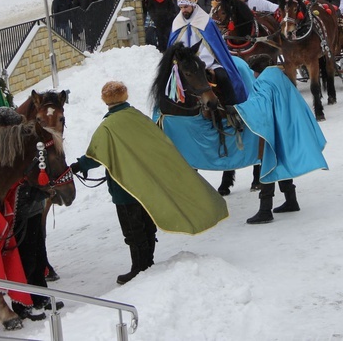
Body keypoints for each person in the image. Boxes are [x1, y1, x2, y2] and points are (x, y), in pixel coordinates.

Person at [69, 81, 228, 283]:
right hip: (147, 185)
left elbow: (94, 155)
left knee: (133, 230)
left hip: (124, 189)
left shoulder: (108, 126)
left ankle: (139, 267)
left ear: (105, 100)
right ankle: (147, 263)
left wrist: (76, 167)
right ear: (124, 96)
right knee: (147, 225)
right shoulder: (139, 118)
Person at [168, 0, 247, 105]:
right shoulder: (177, 23)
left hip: (206, 62)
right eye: (181, 7)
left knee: (223, 77)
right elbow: (174, 46)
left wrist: (201, 61)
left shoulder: (206, 22)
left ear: (193, 5)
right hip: (185, 63)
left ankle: (231, 107)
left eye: (186, 7)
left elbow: (212, 47)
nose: (183, 10)